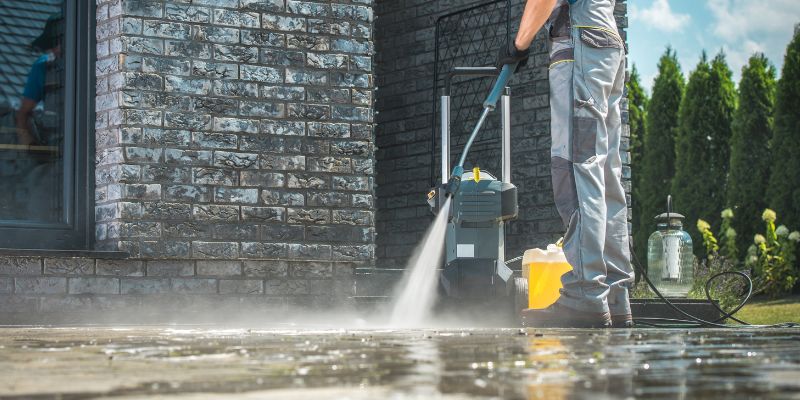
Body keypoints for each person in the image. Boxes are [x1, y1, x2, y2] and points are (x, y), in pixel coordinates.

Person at [498, 0, 634, 328]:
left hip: (580, 43)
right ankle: (614, 295)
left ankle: (585, 295)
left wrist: (519, 45)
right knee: (604, 172)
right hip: (607, 43)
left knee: (576, 166)